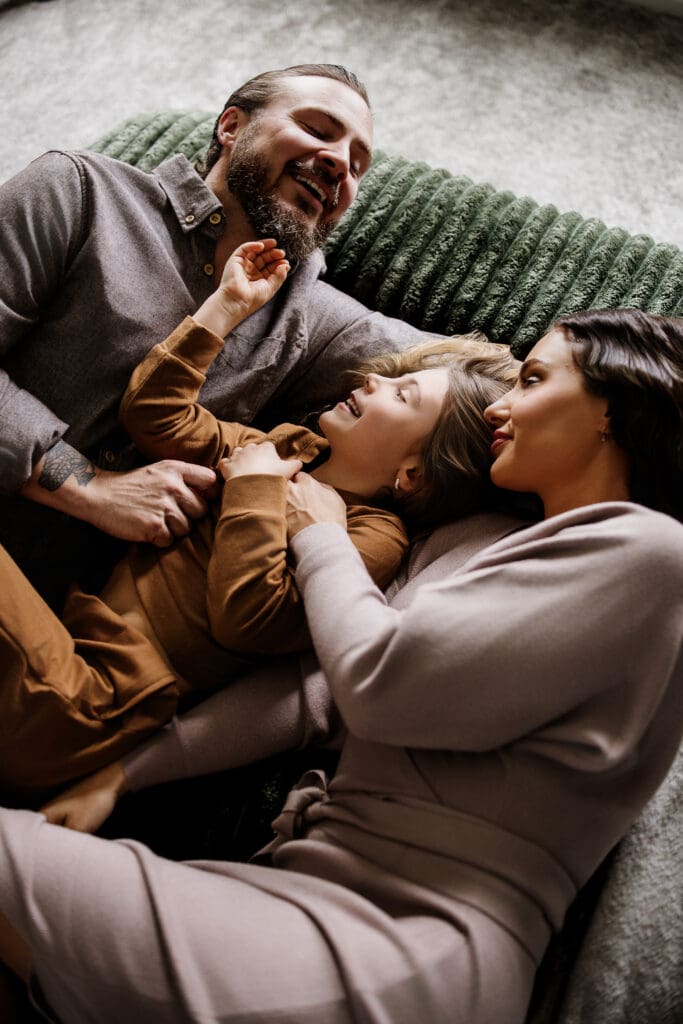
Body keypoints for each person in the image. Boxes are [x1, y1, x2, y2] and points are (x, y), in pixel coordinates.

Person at [0, 307, 680, 1024]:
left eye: (534, 379)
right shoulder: (484, 539)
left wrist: (320, 536)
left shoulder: (653, 556)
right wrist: (122, 775)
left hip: (404, 943)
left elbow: (379, 687)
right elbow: (318, 689)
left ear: (611, 408)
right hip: (311, 890)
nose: (499, 408)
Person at [0, 237, 517, 803]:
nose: (374, 381)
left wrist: (255, 487)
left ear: (412, 474)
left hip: (94, 700)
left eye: (402, 395)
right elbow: (155, 416)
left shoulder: (371, 537)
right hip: (65, 642)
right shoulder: (289, 447)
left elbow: (248, 620)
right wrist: (224, 310)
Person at [0, 63, 434, 609]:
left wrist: (540, 381)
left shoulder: (311, 318)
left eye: (358, 165)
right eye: (317, 130)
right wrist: (90, 487)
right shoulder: (78, 191)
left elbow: (465, 377)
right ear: (231, 127)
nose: (340, 164)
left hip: (71, 631)